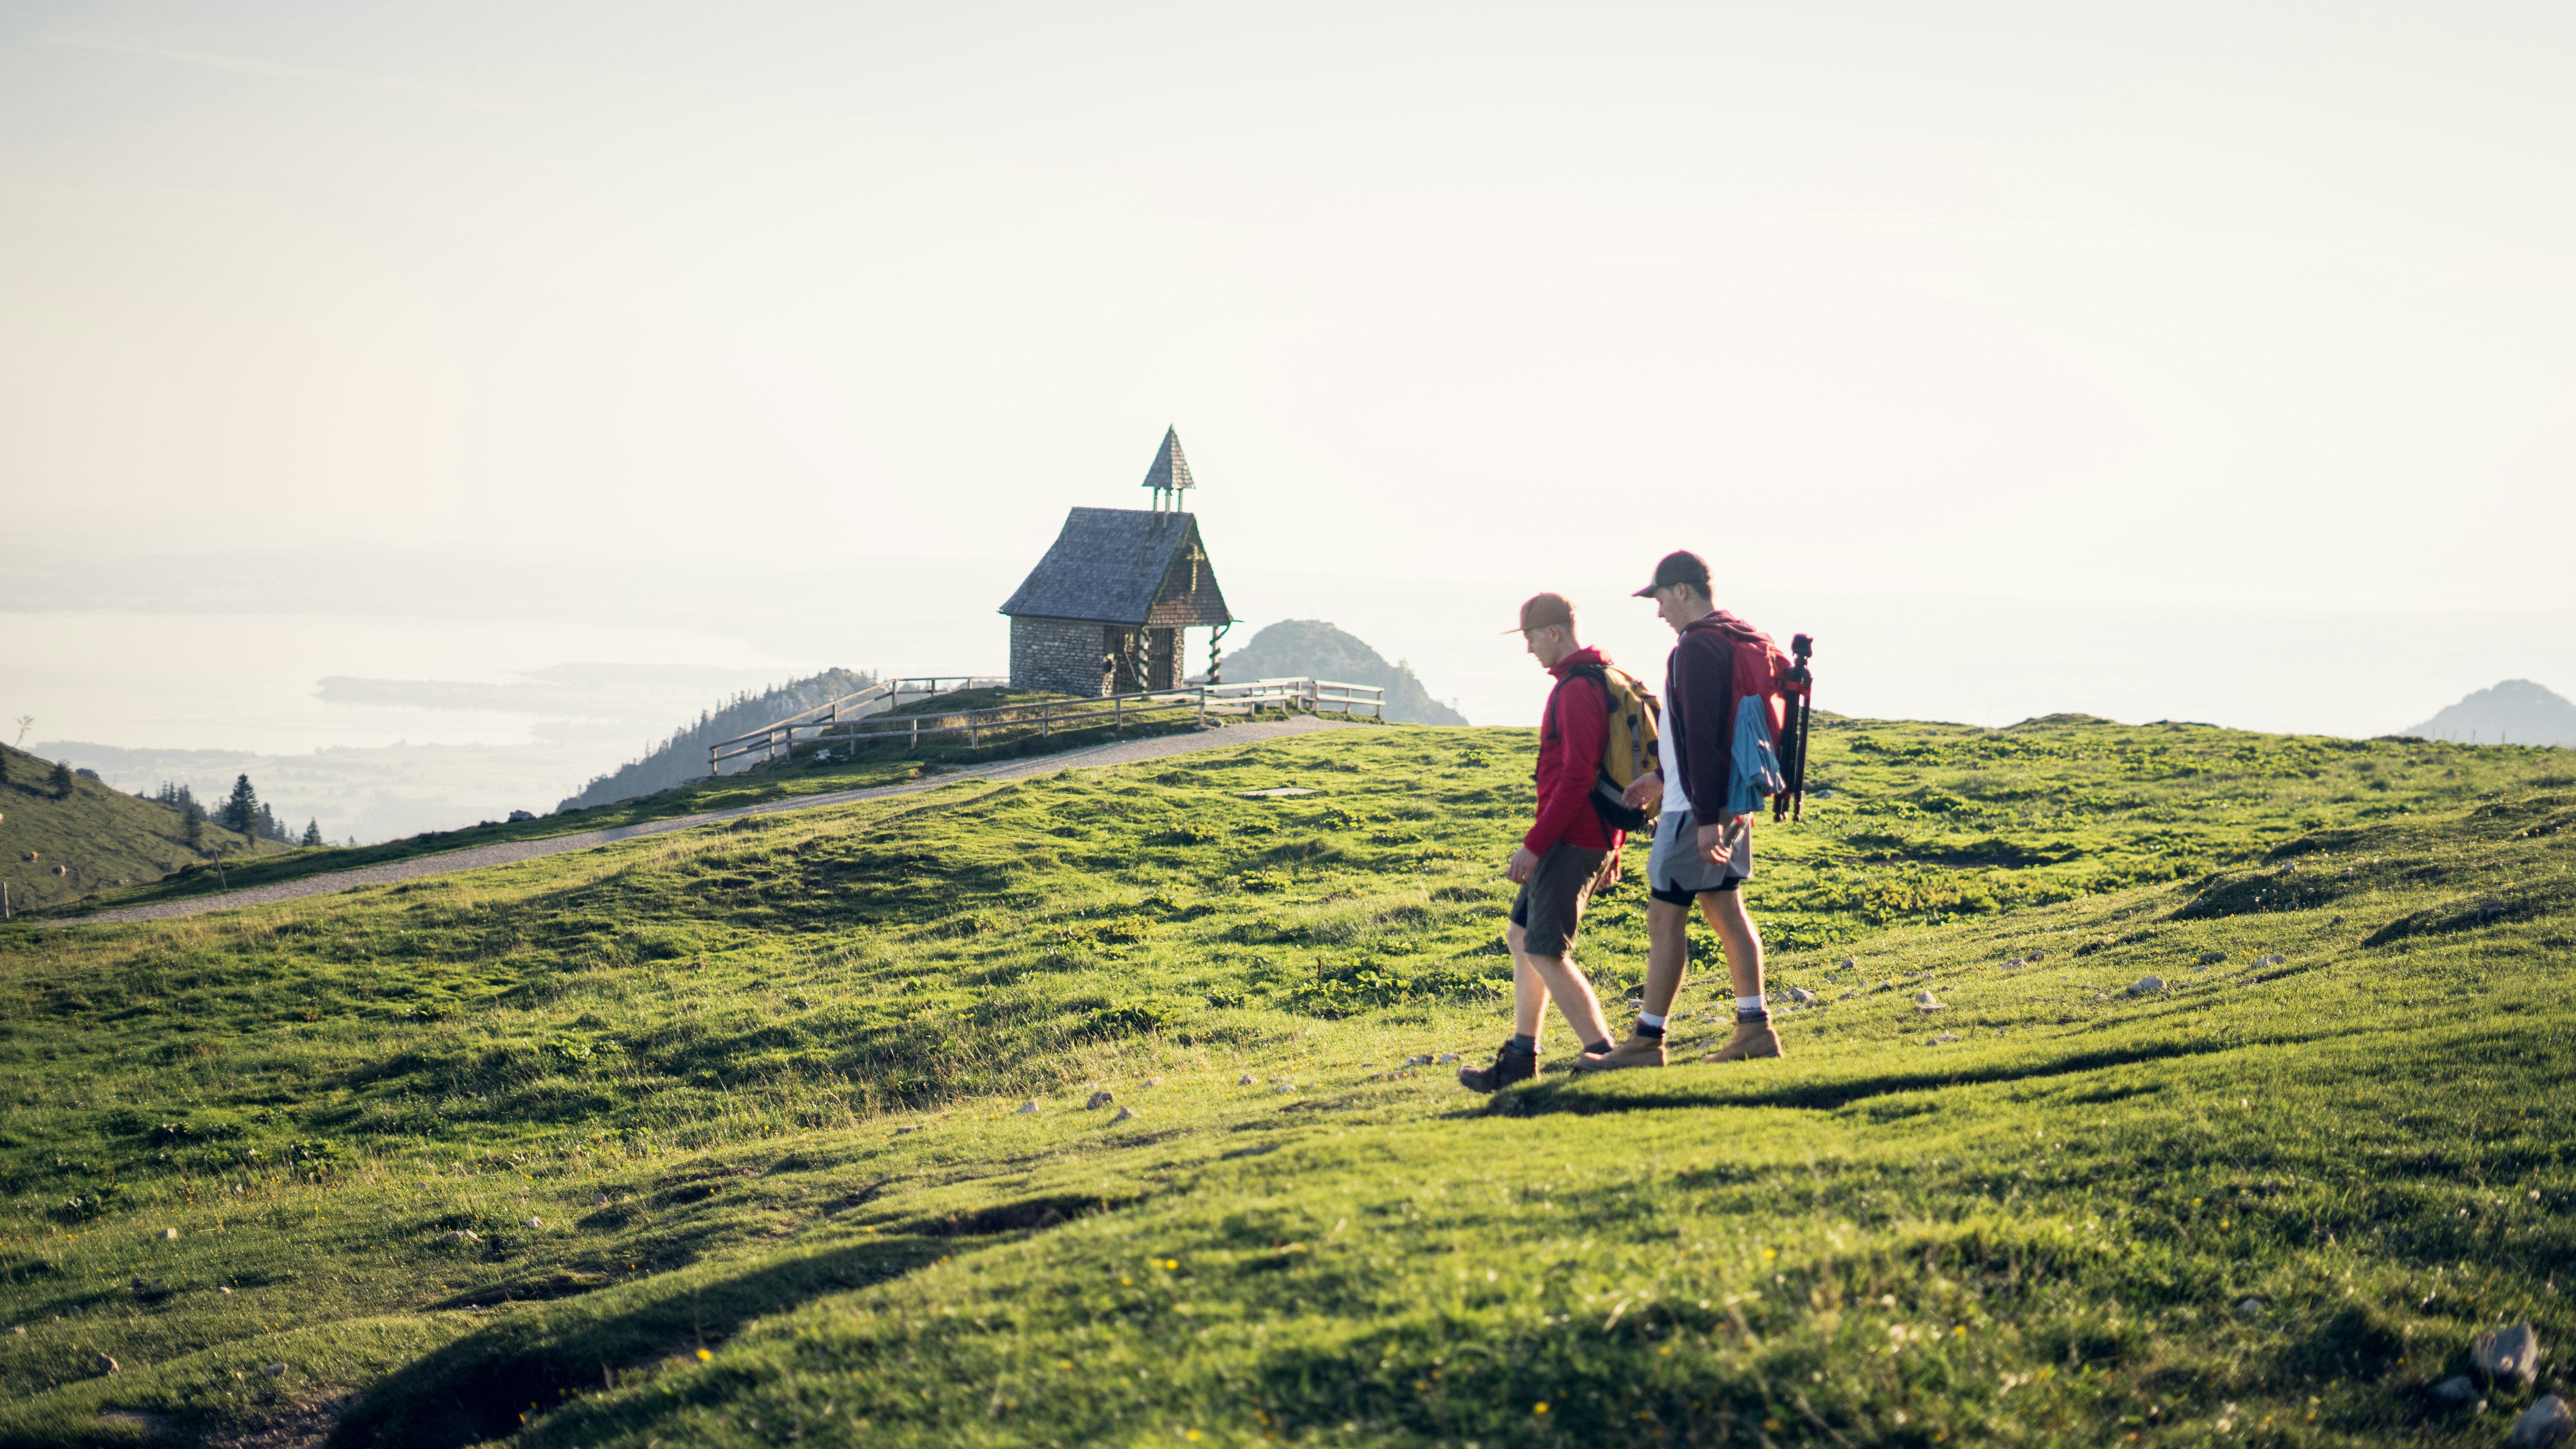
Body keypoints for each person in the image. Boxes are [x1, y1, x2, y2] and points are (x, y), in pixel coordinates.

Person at [1578, 550, 1784, 1069]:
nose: (1659, 611)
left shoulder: (1695, 648)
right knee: (1725, 911)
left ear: (1684, 591)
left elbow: (1702, 735)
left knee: (1664, 919)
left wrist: (1703, 815)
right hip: (1729, 798)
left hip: (1696, 809)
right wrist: (1661, 775)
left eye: (1661, 598)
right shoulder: (1736, 635)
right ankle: (1754, 1029)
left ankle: (1647, 1042)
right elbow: (1708, 735)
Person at [1458, 592, 1625, 1092]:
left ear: (1554, 633)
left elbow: (1577, 778)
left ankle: (1604, 1053)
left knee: (1548, 950)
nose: (1529, 649)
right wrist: (1613, 843)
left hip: (1572, 840)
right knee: (1521, 937)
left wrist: (1534, 845)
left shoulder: (1577, 690)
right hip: (1582, 836)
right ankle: (1521, 1057)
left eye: (1531, 637)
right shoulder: (1592, 680)